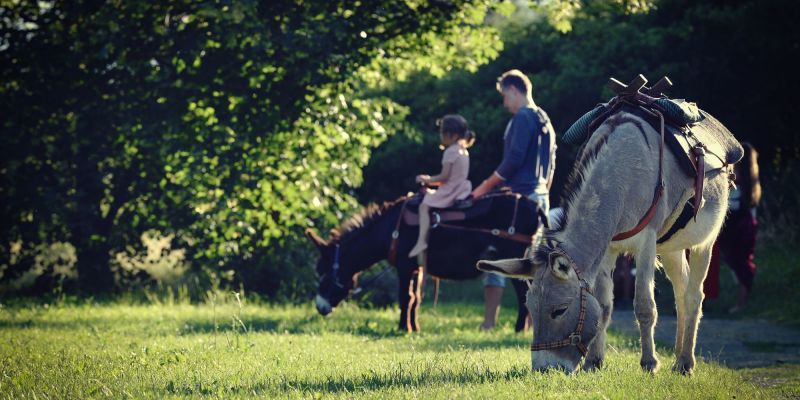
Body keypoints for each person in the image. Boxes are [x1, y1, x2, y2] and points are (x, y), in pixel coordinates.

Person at [471, 69, 556, 330]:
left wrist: (482, 188)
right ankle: (528, 325)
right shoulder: (546, 119)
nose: (504, 103)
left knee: (497, 255)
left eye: (504, 96)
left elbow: (514, 160)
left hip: (520, 198)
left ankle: (490, 323)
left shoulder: (522, 117)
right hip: (541, 199)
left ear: (514, 90)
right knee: (531, 264)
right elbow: (552, 165)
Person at [703, 142, 761, 313]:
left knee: (740, 263)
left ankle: (742, 303)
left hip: (738, 226)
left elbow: (734, 206)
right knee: (735, 262)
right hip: (737, 226)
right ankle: (740, 301)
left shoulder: (745, 182)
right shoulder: (750, 181)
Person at [409, 115, 476, 258]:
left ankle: (421, 241)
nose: (440, 135)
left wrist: (426, 179)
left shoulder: (450, 151)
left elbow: (444, 177)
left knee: (424, 206)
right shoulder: (463, 150)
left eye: (442, 133)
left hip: (451, 190)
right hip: (460, 188)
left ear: (453, 135)